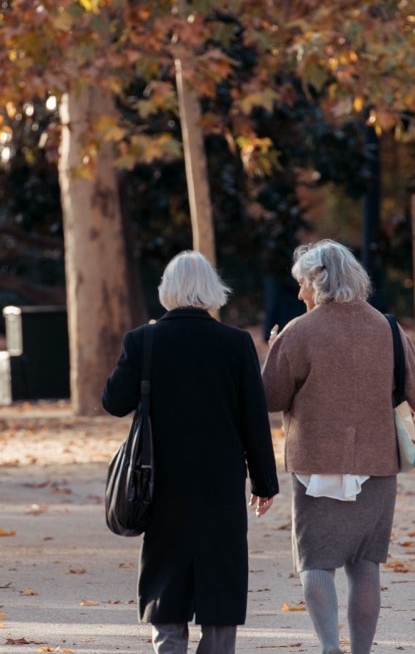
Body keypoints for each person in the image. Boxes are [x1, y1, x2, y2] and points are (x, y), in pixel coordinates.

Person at [102, 250, 279, 654]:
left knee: (166, 574)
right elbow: (254, 418)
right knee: (221, 574)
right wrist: (264, 482)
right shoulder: (236, 343)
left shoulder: (144, 340)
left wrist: (135, 355)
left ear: (167, 290)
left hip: (161, 478)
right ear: (213, 291)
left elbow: (113, 402)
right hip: (220, 480)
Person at [260, 240, 415, 654]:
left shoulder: (299, 331)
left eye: (302, 283)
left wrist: (274, 351)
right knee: (366, 563)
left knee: (315, 561)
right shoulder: (389, 328)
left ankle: (330, 648)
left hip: (314, 463)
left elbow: (270, 397)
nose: (299, 293)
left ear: (318, 281)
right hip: (377, 461)